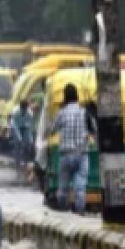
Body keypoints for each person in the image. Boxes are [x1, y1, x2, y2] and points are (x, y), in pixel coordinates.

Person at [48, 83, 97, 214]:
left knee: (63, 187)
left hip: (65, 155)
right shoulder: (84, 112)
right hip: (82, 154)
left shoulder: (62, 113)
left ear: (65, 97)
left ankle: (64, 211)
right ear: (77, 97)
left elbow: (52, 130)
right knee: (80, 186)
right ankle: (80, 211)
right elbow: (94, 130)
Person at [11, 100, 34, 174]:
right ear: (20, 107)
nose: (24, 110)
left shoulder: (30, 113)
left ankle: (25, 163)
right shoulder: (15, 112)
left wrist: (30, 139)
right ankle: (17, 163)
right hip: (15, 126)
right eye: (23, 109)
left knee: (27, 145)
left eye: (25, 109)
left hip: (25, 127)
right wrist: (20, 139)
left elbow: (29, 128)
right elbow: (15, 127)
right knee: (17, 145)